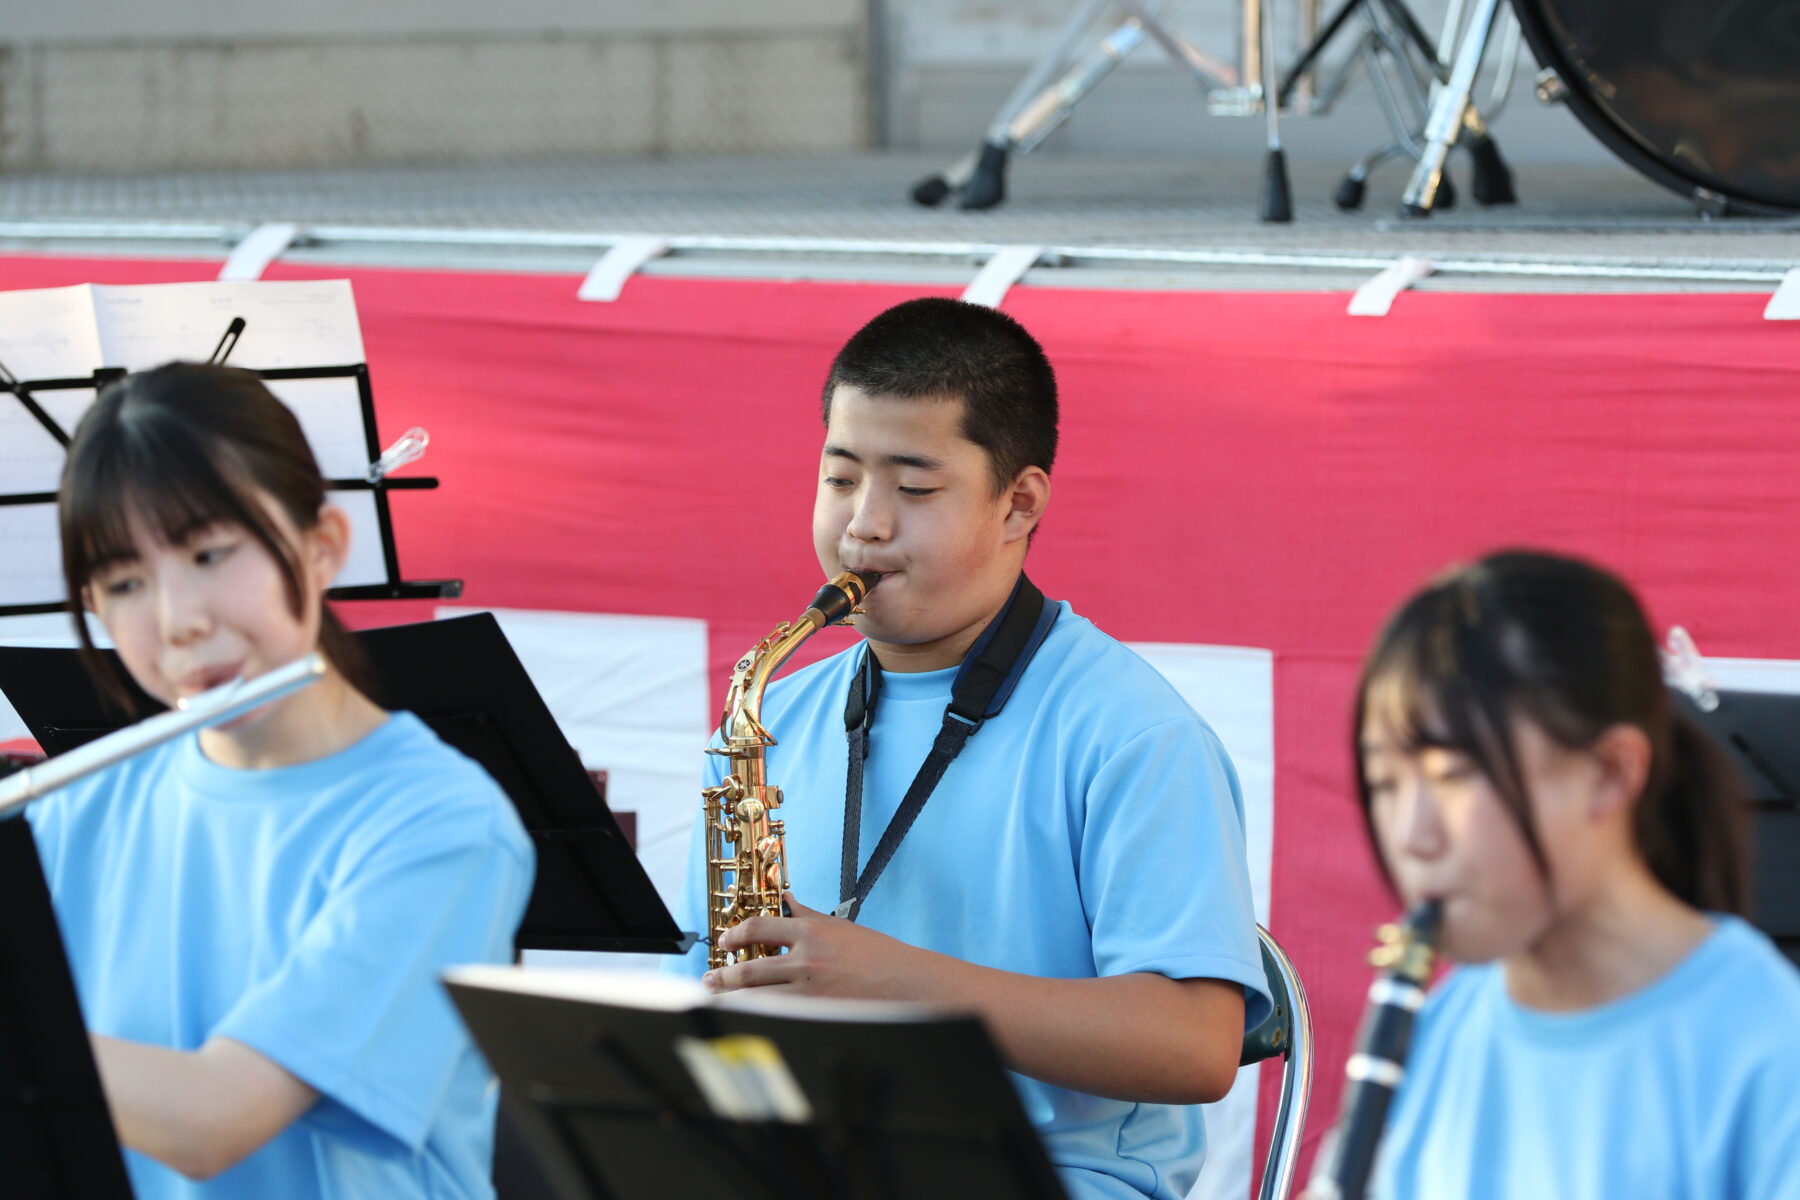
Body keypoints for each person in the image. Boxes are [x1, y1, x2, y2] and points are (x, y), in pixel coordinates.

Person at [674, 298, 1270, 1200]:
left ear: (1019, 505)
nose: (864, 526)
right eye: (840, 479)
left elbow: (1193, 1046)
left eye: (913, 489)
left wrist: (890, 982)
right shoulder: (768, 718)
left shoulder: (1135, 736)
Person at [28, 362, 535, 1199]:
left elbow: (214, 1118)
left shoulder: (442, 824)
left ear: (322, 544)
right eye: (124, 583)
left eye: (209, 553)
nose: (177, 618)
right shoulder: (73, 811)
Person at [1354, 550, 1800, 1199]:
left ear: (1611, 773)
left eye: (1453, 778)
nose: (1411, 836)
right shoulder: (1444, 1025)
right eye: (1383, 783)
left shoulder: (1764, 1042)